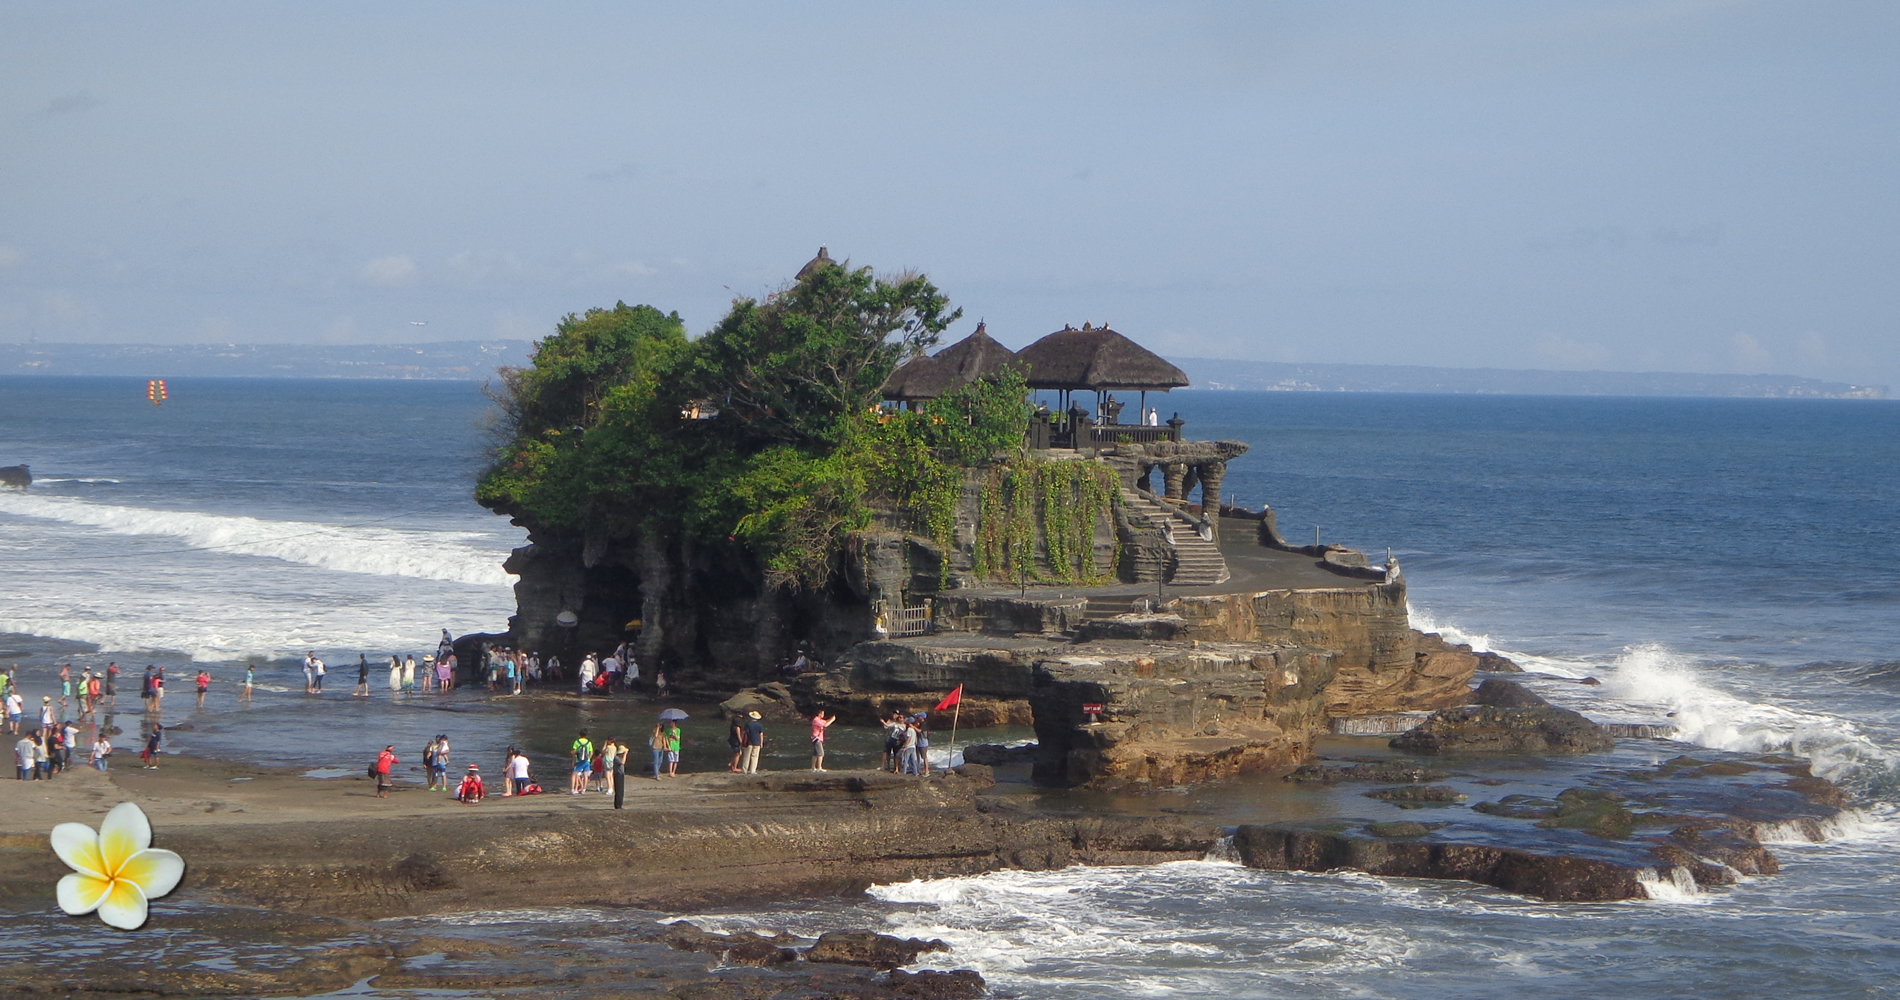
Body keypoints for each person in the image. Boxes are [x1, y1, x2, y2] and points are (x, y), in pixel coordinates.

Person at [569, 730, 593, 794]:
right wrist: (589, 758)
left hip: (578, 760)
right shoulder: (589, 742)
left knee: (574, 774)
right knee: (585, 775)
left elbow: (574, 752)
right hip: (586, 761)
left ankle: (572, 789)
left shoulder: (577, 742)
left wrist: (573, 760)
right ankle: (584, 789)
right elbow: (591, 752)